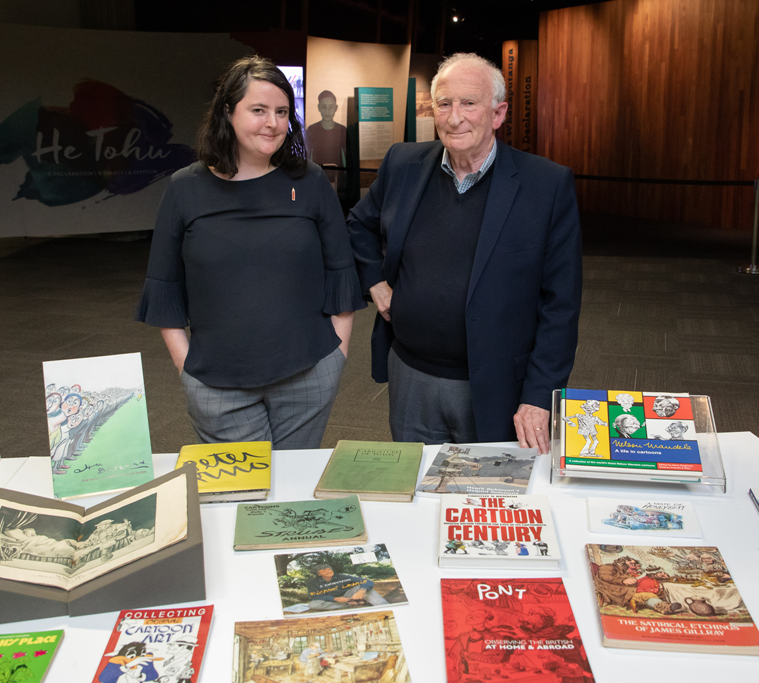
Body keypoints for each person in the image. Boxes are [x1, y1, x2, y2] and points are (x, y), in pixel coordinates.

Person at [347, 53, 582, 451]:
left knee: (487, 501)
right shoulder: (402, 164)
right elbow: (358, 225)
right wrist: (375, 282)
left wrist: (539, 397)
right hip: (411, 376)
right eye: (444, 103)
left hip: (496, 387)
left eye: (469, 103)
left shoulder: (546, 185)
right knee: (418, 494)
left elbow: (561, 305)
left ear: (498, 113)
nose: (455, 117)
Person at [135, 56, 364, 449]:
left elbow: (341, 273)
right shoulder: (185, 189)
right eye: (258, 110)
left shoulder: (309, 182)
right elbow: (164, 288)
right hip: (216, 385)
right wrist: (185, 367)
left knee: (290, 497)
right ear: (228, 111)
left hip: (307, 377)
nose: (272, 123)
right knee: (240, 500)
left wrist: (335, 360)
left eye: (281, 111)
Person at [305, 90, 346, 186]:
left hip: (338, 178)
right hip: (316, 177)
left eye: (331, 107)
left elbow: (347, 158)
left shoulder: (342, 130)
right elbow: (307, 155)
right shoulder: (312, 129)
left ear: (336, 108)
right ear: (319, 108)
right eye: (324, 107)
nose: (327, 111)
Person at [305, 564, 388, 611]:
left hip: (347, 595)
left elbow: (366, 581)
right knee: (313, 604)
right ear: (319, 574)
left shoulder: (342, 577)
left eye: (329, 569)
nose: (328, 572)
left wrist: (362, 591)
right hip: (332, 600)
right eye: (324, 571)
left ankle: (384, 607)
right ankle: (348, 604)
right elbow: (314, 595)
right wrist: (335, 599)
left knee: (363, 587)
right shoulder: (312, 582)